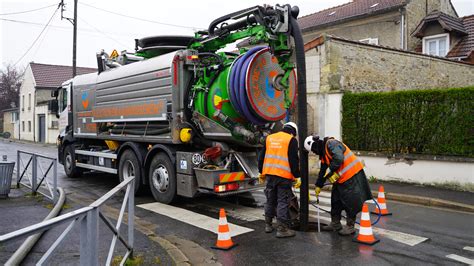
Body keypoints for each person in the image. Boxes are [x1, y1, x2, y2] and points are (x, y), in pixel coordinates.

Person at [304, 135, 372, 236]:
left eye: (313, 150)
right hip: (341, 179)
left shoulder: (332, 144)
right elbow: (323, 171)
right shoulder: (324, 154)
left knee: (350, 201)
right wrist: (318, 185)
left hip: (351, 176)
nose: (314, 153)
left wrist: (330, 170)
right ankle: (335, 224)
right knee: (335, 200)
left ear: (315, 145)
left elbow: (339, 158)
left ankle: (350, 226)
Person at [258, 122, 301, 238]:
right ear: (293, 132)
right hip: (283, 176)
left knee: (270, 199)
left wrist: (261, 172)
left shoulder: (269, 138)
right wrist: (297, 176)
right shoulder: (291, 140)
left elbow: (261, 156)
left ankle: (268, 224)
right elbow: (294, 160)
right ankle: (282, 229)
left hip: (270, 175)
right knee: (282, 201)